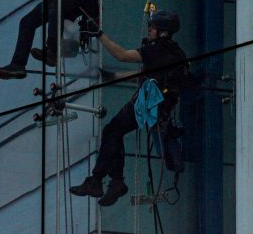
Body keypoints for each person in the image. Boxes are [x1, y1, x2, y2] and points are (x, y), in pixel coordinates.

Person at [69, 10, 189, 206]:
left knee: (112, 130)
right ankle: (112, 182)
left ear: (163, 32)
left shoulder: (156, 49)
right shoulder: (176, 53)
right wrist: (115, 77)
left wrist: (99, 34)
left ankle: (101, 181)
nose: (149, 29)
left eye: (153, 27)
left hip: (149, 102)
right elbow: (150, 75)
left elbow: (122, 55)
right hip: (160, 105)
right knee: (115, 132)